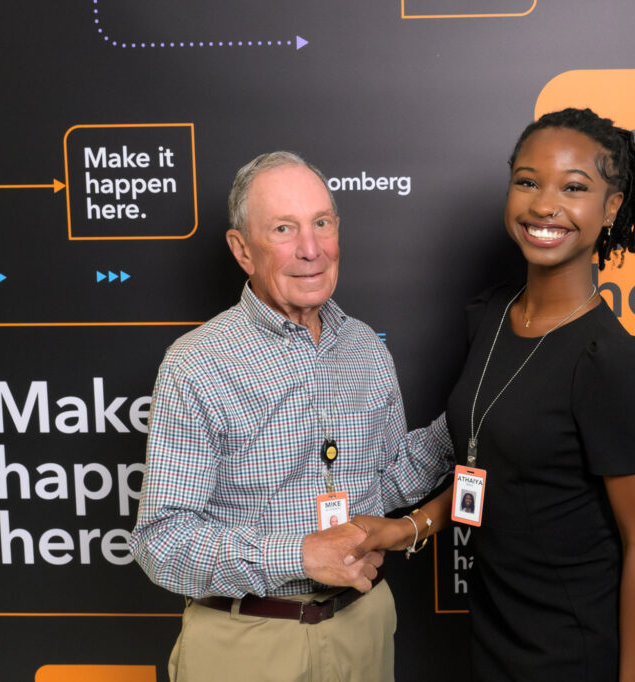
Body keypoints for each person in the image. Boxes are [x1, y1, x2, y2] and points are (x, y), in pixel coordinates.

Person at [355, 108, 635, 681]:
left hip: (570, 650)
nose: (544, 205)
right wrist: (409, 526)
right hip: (495, 630)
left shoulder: (608, 360)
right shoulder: (491, 316)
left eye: (574, 188)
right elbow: (486, 468)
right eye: (528, 181)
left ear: (613, 208)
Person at [129, 151, 453, 682]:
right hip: (248, 645)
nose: (311, 249)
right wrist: (299, 555)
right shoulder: (197, 364)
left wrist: (470, 416)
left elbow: (388, 479)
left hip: (362, 628)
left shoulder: (365, 347)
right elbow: (161, 542)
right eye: (284, 228)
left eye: (321, 223)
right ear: (243, 250)